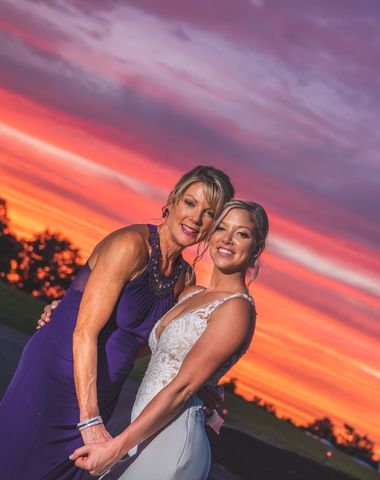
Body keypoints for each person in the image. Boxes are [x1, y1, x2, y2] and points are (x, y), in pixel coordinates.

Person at [0, 166, 234, 479]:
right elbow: (84, 332)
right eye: (190, 203)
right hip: (55, 379)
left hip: (102, 392)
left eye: (209, 213)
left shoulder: (184, 278)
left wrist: (204, 381)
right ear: (173, 201)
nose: (195, 218)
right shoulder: (130, 245)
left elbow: (154, 344)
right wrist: (90, 420)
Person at [70, 200, 268, 479]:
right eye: (221, 227)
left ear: (257, 247)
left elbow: (183, 387)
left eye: (242, 233)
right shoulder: (190, 294)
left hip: (172, 443)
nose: (227, 239)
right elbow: (132, 326)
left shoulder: (236, 308)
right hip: (143, 435)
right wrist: (62, 312)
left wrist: (114, 449)